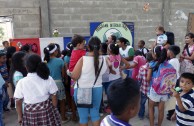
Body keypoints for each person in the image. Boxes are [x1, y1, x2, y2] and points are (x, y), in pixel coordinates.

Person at [14, 54, 61, 126]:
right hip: (47, 111)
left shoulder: (21, 82)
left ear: (26, 67)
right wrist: (54, 109)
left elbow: (18, 101)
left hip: (30, 113)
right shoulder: (48, 78)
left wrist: (19, 116)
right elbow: (54, 95)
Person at [71, 36, 108, 126]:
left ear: (88, 47)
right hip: (97, 89)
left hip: (81, 89)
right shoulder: (104, 59)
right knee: (95, 115)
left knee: (83, 117)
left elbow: (74, 76)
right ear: (99, 47)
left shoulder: (83, 59)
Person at [44, 44, 69, 123]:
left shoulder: (45, 61)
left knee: (50, 102)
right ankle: (63, 118)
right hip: (58, 83)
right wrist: (65, 80)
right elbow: (63, 74)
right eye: (57, 50)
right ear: (55, 52)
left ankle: (51, 118)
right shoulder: (60, 61)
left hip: (47, 84)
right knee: (62, 101)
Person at [147, 46, 169, 126]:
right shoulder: (168, 64)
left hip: (155, 90)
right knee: (161, 109)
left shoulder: (152, 64)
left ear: (155, 54)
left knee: (150, 107)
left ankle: (152, 125)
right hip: (165, 90)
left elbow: (148, 78)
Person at [68, 35, 86, 121]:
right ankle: (81, 114)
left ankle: (74, 114)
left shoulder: (74, 51)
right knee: (80, 97)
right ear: (78, 45)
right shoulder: (81, 52)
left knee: (73, 97)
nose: (84, 45)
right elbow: (89, 55)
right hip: (77, 77)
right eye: (83, 44)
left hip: (72, 77)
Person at [166, 45, 181, 120]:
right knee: (175, 97)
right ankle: (173, 113)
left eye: (168, 50)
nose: (167, 51)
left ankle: (171, 115)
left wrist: (170, 86)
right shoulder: (176, 60)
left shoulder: (171, 61)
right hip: (177, 81)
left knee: (172, 98)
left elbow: (171, 75)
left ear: (171, 52)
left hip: (174, 82)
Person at [137, 52, 153, 120]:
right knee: (151, 104)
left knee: (142, 103)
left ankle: (141, 115)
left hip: (144, 89)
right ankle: (150, 115)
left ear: (146, 59)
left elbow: (139, 78)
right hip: (152, 90)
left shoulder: (142, 68)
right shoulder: (154, 67)